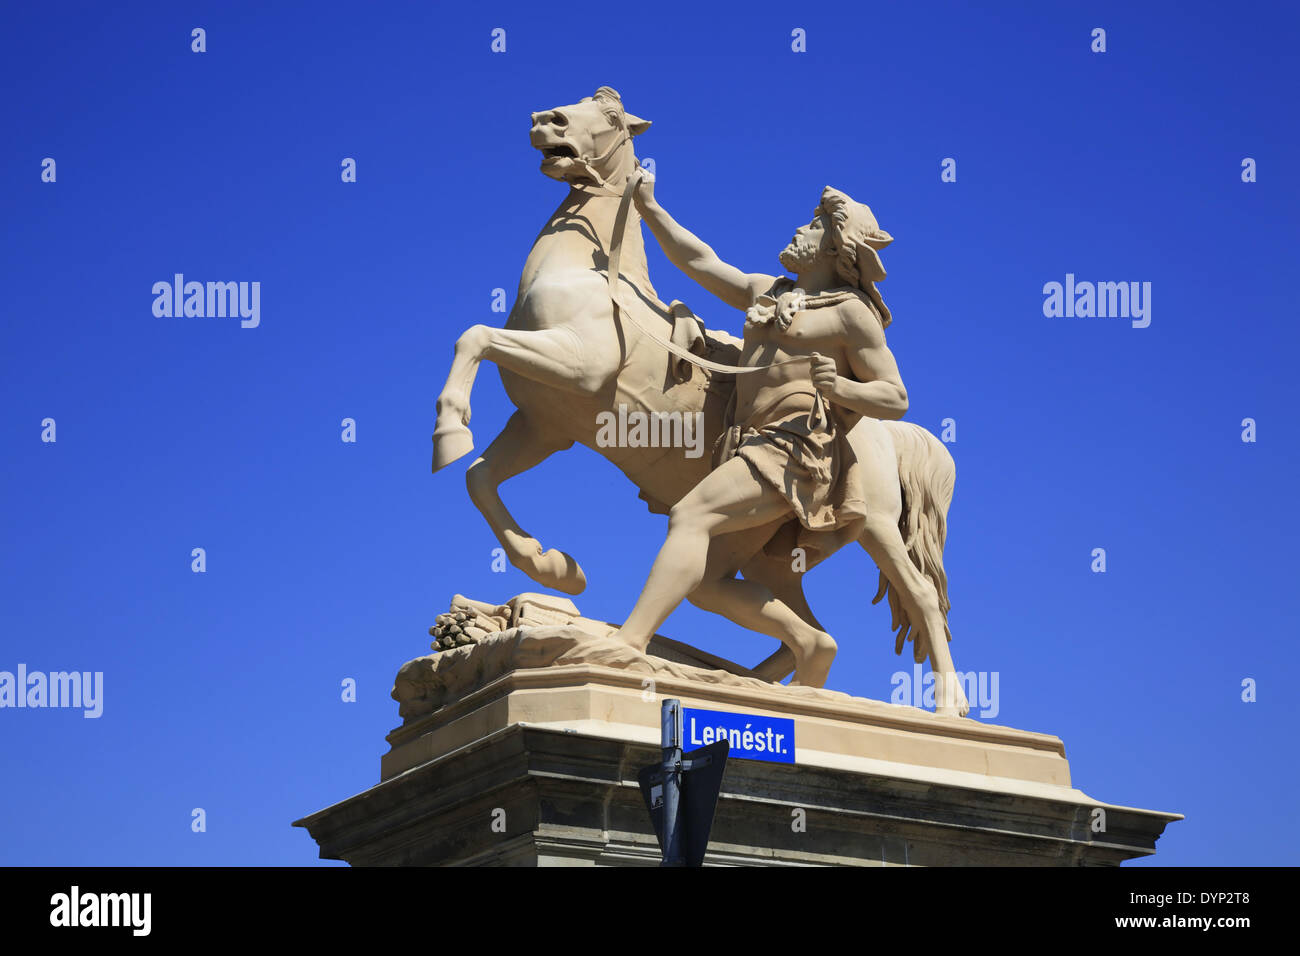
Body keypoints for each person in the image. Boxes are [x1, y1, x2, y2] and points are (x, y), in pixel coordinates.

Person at [615, 178, 908, 687]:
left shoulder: (850, 313)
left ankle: (629, 641)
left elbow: (895, 397)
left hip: (795, 447)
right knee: (706, 582)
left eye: (814, 223)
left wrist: (838, 386)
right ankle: (808, 642)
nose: (799, 227)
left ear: (835, 244)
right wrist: (649, 206)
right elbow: (700, 261)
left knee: (690, 516)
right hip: (749, 444)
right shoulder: (766, 291)